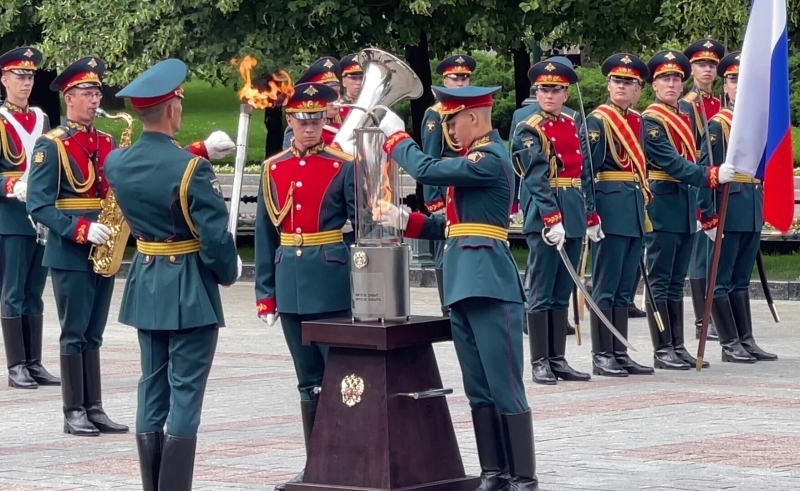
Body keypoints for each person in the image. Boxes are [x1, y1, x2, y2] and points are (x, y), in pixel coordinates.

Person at [375, 85, 538, 491]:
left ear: (473, 117)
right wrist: (403, 220)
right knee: (478, 387)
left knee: (504, 386)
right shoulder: (471, 161)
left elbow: (427, 169)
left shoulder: (489, 158)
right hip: (463, 281)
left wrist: (397, 139)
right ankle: (494, 472)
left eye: (452, 119)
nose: (448, 127)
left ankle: (523, 476)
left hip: (489, 282)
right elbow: (450, 226)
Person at [103, 58, 241, 490]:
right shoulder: (191, 169)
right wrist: (229, 270)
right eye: (179, 102)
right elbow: (215, 238)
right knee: (185, 392)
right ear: (171, 108)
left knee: (152, 386)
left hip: (146, 280)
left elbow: (153, 169)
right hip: (189, 287)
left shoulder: (116, 163)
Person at [255, 81, 355, 491]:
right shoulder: (273, 167)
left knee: (340, 375)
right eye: (302, 118)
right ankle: (317, 463)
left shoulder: (342, 164)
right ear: (291, 120)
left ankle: (349, 458)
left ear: (325, 119)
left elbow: (362, 227)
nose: (309, 126)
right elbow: (265, 235)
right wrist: (265, 293)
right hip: (290, 281)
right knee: (307, 379)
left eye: (316, 118)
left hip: (330, 277)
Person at [25, 56, 130, 437]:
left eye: (97, 91)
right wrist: (83, 230)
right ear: (69, 98)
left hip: (105, 248)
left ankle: (94, 406)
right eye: (87, 92)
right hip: (71, 251)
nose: (94, 99)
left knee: (94, 333)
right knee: (74, 331)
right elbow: (38, 204)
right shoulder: (50, 145)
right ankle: (74, 411)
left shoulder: (106, 141)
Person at [641, 50, 735, 370]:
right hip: (663, 200)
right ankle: (661, 348)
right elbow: (671, 162)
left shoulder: (682, 115)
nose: (671, 84)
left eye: (676, 79)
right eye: (664, 79)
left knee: (675, 279)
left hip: (682, 202)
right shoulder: (651, 119)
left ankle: (677, 345)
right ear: (654, 85)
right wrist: (709, 175)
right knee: (659, 278)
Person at [511, 59, 594, 385]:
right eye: (543, 89)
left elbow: (584, 172)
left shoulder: (573, 123)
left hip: (572, 210)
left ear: (565, 93)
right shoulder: (528, 127)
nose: (548, 94)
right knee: (542, 291)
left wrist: (590, 214)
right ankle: (539, 361)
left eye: (555, 89)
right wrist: (551, 218)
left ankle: (558, 358)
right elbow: (534, 176)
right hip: (546, 215)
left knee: (562, 291)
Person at [697, 52, 778, 364]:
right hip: (728, 206)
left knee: (741, 278)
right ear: (726, 87)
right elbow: (706, 168)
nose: (738, 86)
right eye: (732, 80)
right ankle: (729, 343)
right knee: (721, 277)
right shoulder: (719, 125)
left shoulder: (757, 124)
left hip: (751, 204)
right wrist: (707, 215)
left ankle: (746, 338)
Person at [0, 46, 60, 389]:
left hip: (39, 215)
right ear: (4, 79)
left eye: (30, 76)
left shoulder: (42, 119)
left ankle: (34, 361)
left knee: (34, 292)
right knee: (13, 292)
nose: (26, 82)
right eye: (20, 76)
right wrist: (12, 184)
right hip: (10, 217)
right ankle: (16, 365)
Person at [421, 54, 477, 317]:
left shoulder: (472, 112)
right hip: (445, 187)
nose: (461, 83)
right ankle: (447, 306)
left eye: (465, 77)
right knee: (444, 248)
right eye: (456, 78)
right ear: (444, 80)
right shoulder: (435, 114)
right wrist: (435, 201)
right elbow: (430, 159)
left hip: (468, 186)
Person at [682, 38, 725, 342]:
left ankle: (716, 315)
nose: (707, 69)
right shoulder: (687, 104)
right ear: (691, 69)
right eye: (701, 64)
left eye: (711, 64)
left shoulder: (719, 103)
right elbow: (688, 151)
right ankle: (702, 319)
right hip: (698, 183)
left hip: (720, 182)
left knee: (716, 257)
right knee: (701, 257)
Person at [282, 57, 343, 149]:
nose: (335, 100)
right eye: (328, 97)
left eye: (337, 92)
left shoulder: (342, 121)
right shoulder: (294, 130)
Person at [338, 53, 363, 118]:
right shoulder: (338, 109)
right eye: (353, 78)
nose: (358, 82)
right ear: (344, 81)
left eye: (361, 78)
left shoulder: (372, 107)